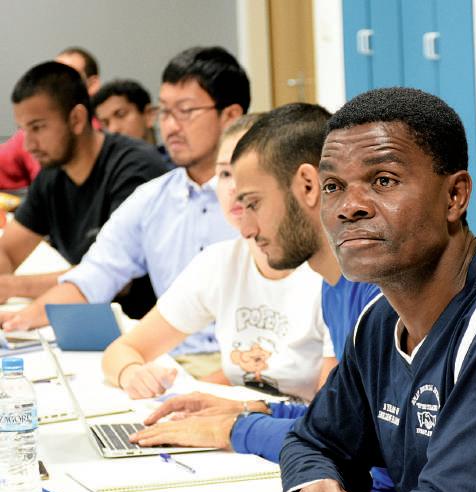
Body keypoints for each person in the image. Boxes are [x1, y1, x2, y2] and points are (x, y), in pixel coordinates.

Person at [82, 88, 476, 492]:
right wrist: (313, 480)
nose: (349, 207)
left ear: (455, 196)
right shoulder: (380, 319)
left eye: (383, 180)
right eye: (333, 187)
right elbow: (314, 437)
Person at [127, 104, 396, 492]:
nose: (247, 228)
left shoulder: (376, 295)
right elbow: (335, 420)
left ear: (307, 185)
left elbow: (353, 444)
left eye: (253, 203)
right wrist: (252, 409)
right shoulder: (334, 289)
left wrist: (237, 428)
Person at [1, 46, 249, 380]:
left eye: (185, 111)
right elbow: (94, 276)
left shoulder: (259, 199)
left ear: (230, 115)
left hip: (247, 369)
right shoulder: (152, 198)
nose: (170, 126)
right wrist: (20, 320)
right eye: (165, 111)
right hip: (174, 361)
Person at [102, 113, 335, 405]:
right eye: (224, 174)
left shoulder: (329, 273)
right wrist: (133, 374)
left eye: (249, 177)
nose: (235, 188)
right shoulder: (220, 261)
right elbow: (123, 350)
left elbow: (328, 417)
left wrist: (235, 414)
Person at [0, 61, 167, 318]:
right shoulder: (52, 176)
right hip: (86, 318)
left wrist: (12, 286)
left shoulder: (134, 168)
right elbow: (8, 251)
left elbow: (115, 279)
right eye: (23, 130)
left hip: (141, 324)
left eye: (38, 127)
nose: (28, 145)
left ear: (76, 119)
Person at [0, 47, 101, 190]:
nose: (29, 146)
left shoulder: (110, 138)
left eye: (68, 77)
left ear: (77, 119)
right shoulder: (28, 137)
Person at [92, 79, 173, 168]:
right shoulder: (106, 173)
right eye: (105, 123)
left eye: (121, 115)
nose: (113, 129)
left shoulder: (178, 167)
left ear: (149, 115)